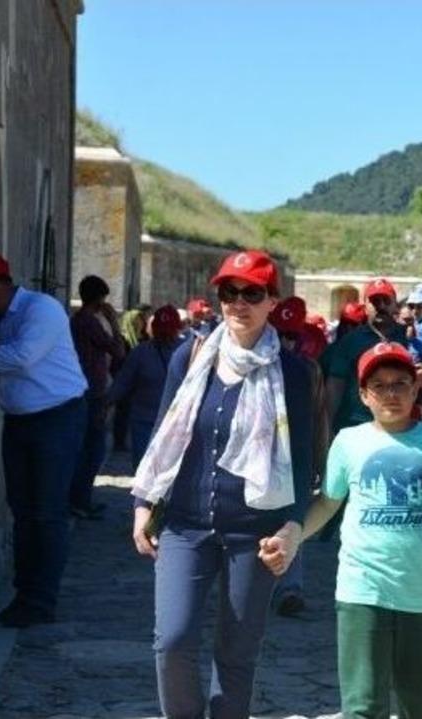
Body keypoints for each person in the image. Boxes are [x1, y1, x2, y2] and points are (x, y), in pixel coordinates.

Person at [130, 250, 314, 719]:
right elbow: (164, 430)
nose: (238, 302)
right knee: (171, 641)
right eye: (229, 292)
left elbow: (302, 451)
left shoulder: (291, 372)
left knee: (236, 655)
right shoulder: (190, 358)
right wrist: (144, 500)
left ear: (273, 300)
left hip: (255, 532)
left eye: (252, 293)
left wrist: (293, 525)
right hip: (186, 525)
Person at [262, 341, 422, 719]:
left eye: (400, 384)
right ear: (363, 395)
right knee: (362, 706)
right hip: (361, 591)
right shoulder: (349, 442)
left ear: (415, 388)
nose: (391, 393)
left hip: (421, 594)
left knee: (417, 703)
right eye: (380, 385)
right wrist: (292, 535)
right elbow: (327, 503)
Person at [0, 251, 88, 627]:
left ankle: (41, 601)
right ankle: (25, 594)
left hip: (56, 419)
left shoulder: (41, 309)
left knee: (46, 513)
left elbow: (23, 357)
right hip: (21, 421)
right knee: (24, 512)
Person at [267, 296, 332, 618]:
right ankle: (261, 585)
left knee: (295, 520)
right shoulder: (258, 369)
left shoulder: (309, 370)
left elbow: (319, 419)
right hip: (261, 460)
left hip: (297, 460)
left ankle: (291, 587)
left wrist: (321, 462)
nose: (284, 342)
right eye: (279, 333)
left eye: (291, 335)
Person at [69, 274, 125, 519]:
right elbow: (117, 350)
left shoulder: (78, 320)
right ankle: (80, 500)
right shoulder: (88, 322)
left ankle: (80, 498)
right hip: (91, 391)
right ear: (100, 299)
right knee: (93, 449)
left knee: (89, 447)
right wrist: (113, 321)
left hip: (88, 389)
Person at [323, 278, 409, 435]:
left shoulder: (408, 337)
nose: (381, 306)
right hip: (356, 424)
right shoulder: (351, 341)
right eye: (375, 301)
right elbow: (335, 385)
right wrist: (327, 427)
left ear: (395, 305)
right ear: (365, 307)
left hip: (399, 425)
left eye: (386, 300)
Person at [107, 305, 182, 469]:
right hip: (144, 424)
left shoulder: (189, 351)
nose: (165, 335)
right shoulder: (140, 353)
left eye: (168, 331)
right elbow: (122, 382)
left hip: (176, 424)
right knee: (144, 472)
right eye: (162, 331)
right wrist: (106, 403)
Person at [113, 305, 150, 451]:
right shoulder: (123, 339)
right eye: (137, 320)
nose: (140, 323)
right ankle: (119, 442)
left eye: (141, 320)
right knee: (123, 411)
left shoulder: (146, 337)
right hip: (127, 379)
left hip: (143, 381)